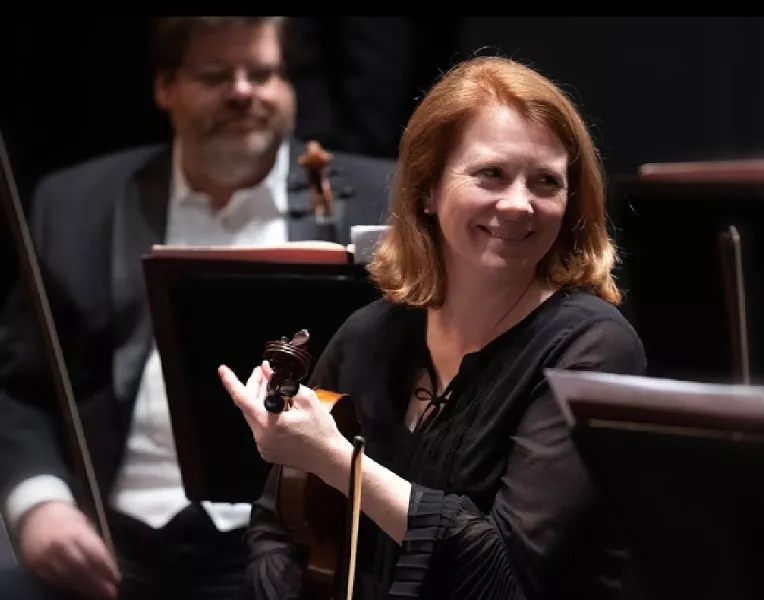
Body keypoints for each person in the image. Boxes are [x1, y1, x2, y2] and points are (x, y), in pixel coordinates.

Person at [218, 56, 648, 600]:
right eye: (490, 174)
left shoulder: (592, 348)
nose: (518, 204)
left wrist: (334, 459)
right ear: (427, 188)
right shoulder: (367, 335)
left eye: (546, 182)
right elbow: (277, 532)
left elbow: (503, 573)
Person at [0, 16, 395, 600]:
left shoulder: (383, 195)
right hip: (112, 539)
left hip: (302, 547)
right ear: (165, 87)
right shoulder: (78, 202)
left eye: (262, 73)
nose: (243, 91)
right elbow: (20, 385)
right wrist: (39, 506)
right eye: (215, 75)